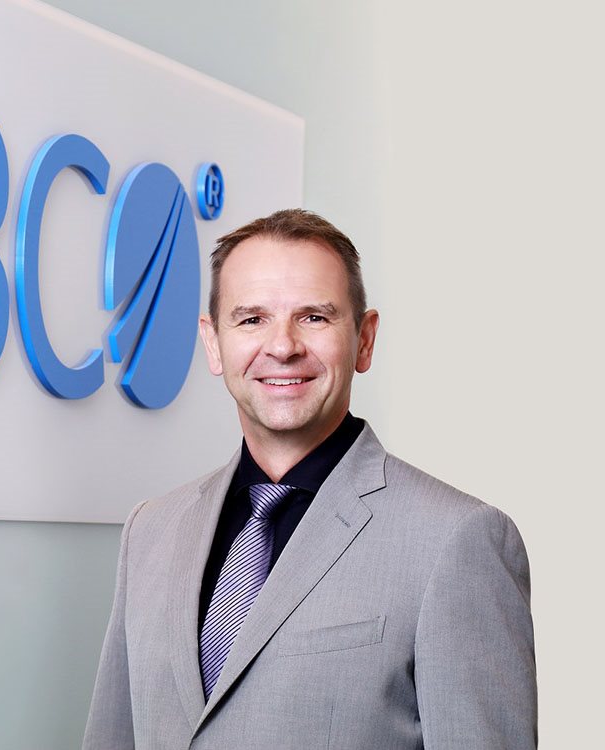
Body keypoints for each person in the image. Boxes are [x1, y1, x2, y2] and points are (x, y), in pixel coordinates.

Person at [82, 209, 536, 749]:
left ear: (364, 340)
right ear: (213, 342)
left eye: (314, 317)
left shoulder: (456, 539)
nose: (282, 346)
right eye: (252, 319)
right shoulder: (150, 531)